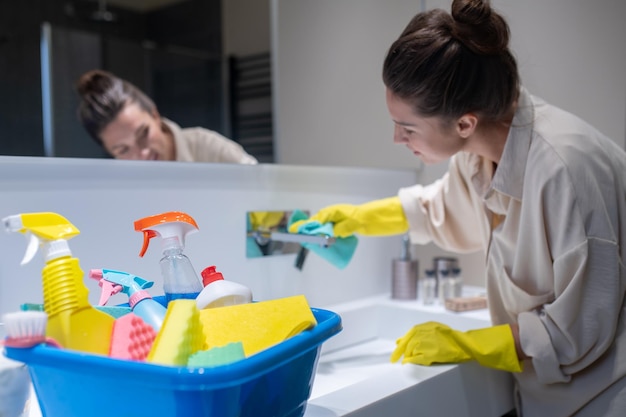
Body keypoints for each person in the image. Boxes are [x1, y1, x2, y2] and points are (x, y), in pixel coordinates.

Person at [290, 0, 626, 415]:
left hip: (605, 396)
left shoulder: (566, 169)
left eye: (408, 127)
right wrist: (358, 219)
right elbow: (444, 208)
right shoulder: (478, 150)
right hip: (546, 396)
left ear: (464, 123)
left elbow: (581, 327)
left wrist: (468, 343)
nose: (398, 139)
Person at [75, 70, 258, 164]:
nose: (143, 153)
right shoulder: (113, 187)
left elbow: (266, 194)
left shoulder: (207, 148)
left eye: (143, 134)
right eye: (123, 150)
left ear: (155, 114)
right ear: (110, 152)